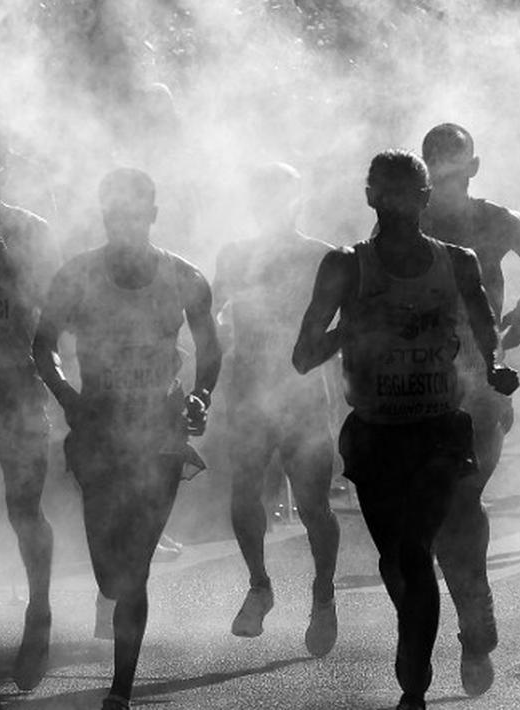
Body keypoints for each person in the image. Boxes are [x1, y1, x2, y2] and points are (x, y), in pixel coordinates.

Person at [293, 150, 518, 710]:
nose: (396, 205)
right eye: (384, 194)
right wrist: (354, 328)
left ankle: (416, 681)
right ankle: (433, 631)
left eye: (408, 195)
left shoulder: (457, 261)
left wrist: (493, 365)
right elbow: (302, 356)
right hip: (376, 434)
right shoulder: (346, 266)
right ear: (370, 198)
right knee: (395, 560)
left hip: (439, 430)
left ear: (425, 200)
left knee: (418, 549)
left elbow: (484, 322)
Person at [33, 167, 220, 710]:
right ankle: (108, 594)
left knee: (134, 567)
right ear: (104, 216)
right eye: (115, 215)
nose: (125, 225)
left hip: (159, 434)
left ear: (153, 216)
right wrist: (68, 397)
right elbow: (42, 343)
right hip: (99, 432)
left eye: (135, 215)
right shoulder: (78, 275)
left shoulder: (183, 276)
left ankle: (120, 690)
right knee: (110, 572)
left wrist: (201, 395)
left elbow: (210, 350)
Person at [419, 123, 520, 693]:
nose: (448, 180)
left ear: (474, 168)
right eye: (437, 170)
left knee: (462, 499)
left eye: (458, 168)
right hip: (416, 387)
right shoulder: (407, 223)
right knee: (419, 520)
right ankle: (453, 623)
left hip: (479, 384)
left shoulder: (497, 219)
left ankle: (473, 628)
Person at [212, 163, 340, 654]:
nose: (269, 205)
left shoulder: (323, 256)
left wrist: (316, 356)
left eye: (278, 196)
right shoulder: (235, 255)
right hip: (249, 393)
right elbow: (210, 316)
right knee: (243, 495)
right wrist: (212, 362)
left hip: (303, 393)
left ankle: (323, 594)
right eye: (260, 195)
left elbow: (349, 327)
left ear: (297, 202)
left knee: (313, 506)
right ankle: (260, 586)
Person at [0, 123, 59, 691]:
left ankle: (39, 613)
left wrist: (4, 264)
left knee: (24, 506)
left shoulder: (30, 229)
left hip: (18, 384)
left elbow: (52, 313)